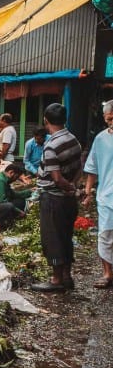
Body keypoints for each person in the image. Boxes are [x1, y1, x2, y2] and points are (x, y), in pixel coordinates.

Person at [32, 103, 82, 292]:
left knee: (52, 238)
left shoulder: (51, 145)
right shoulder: (74, 140)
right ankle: (67, 276)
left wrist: (69, 188)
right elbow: (79, 168)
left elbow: (56, 178)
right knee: (66, 236)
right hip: (68, 199)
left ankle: (56, 279)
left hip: (54, 198)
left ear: (46, 121)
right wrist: (74, 188)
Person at [83, 99, 113, 288]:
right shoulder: (101, 138)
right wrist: (87, 191)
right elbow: (92, 166)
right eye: (107, 117)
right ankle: (107, 273)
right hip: (106, 195)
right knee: (105, 235)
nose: (108, 119)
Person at [0, 164, 32, 230]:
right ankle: (2, 225)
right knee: (8, 206)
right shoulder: (0, 180)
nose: (15, 179)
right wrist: (19, 212)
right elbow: (1, 201)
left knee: (19, 201)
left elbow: (14, 194)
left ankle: (9, 221)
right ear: (11, 172)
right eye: (16, 177)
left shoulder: (4, 180)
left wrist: (29, 191)